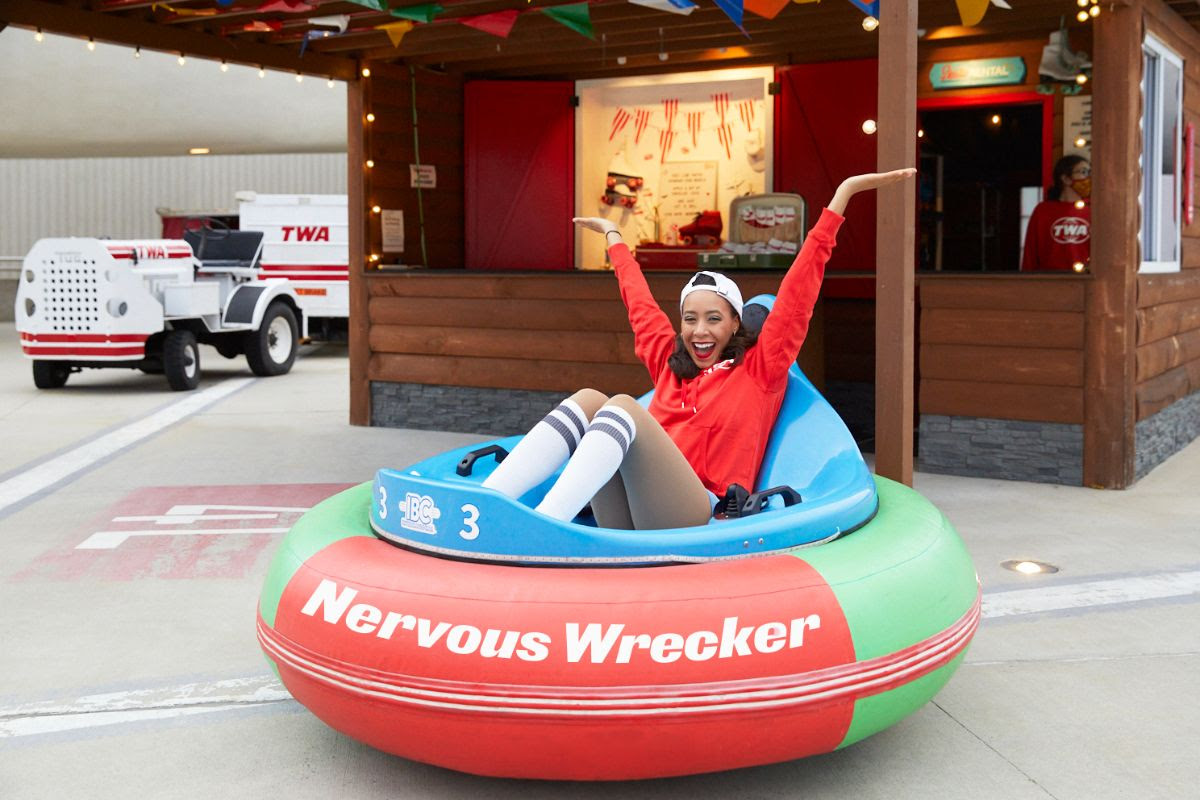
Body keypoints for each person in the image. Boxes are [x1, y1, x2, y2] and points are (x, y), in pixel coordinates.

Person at [482, 169, 917, 530]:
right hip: (634, 516)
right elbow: (639, 302)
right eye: (690, 319)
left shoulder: (760, 369)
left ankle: (543, 526)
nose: (700, 330)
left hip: (696, 513)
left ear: (735, 323)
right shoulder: (671, 366)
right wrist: (614, 235)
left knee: (621, 408)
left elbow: (800, 289)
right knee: (590, 400)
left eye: (714, 318)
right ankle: (487, 502)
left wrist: (841, 198)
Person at [1021, 156, 1091, 271]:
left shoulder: (1092, 210)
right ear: (1066, 178)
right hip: (1051, 280)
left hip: (1085, 280)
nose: (1088, 177)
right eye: (1083, 172)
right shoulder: (1043, 211)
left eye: (1090, 172)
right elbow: (1031, 251)